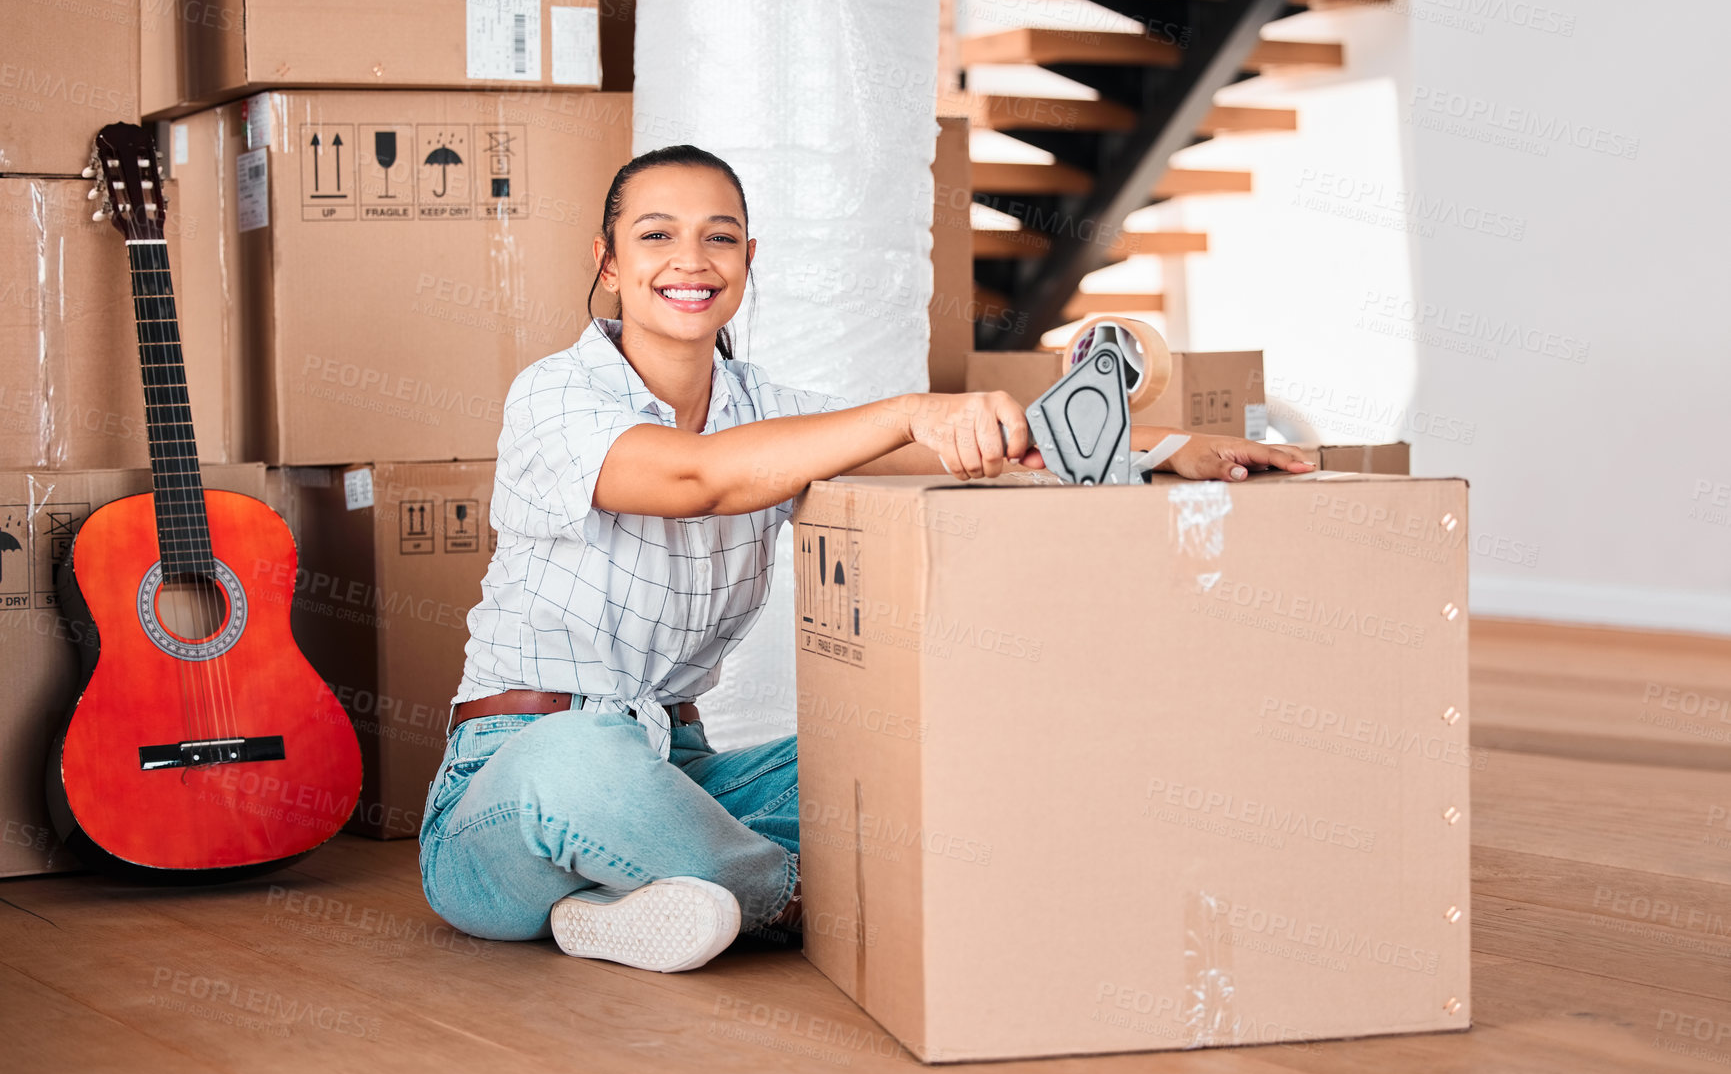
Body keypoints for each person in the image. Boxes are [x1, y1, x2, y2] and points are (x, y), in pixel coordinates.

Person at [417, 144, 1314, 973]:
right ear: (609, 262)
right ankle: (794, 896)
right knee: (579, 760)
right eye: (656, 236)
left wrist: (1165, 445)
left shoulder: (763, 408)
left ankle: (635, 900)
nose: (690, 260)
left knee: (908, 750)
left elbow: (962, 443)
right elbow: (693, 480)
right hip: (514, 785)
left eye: (718, 238)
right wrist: (904, 408)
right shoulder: (553, 391)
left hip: (680, 775)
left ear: (747, 257)